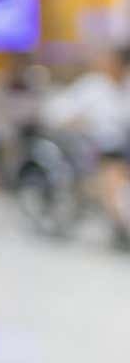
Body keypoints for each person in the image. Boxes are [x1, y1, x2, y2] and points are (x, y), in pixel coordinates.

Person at [42, 47, 130, 250]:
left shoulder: (126, 88)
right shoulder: (92, 87)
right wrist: (77, 121)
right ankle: (121, 226)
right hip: (95, 148)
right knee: (113, 175)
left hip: (123, 145)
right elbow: (55, 111)